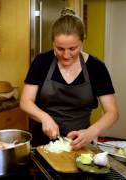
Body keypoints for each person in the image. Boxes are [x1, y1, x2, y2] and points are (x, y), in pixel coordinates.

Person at [20, 9, 119, 150]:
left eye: (73, 48)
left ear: (82, 41)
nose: (66, 55)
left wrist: (92, 131)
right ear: (53, 42)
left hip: (80, 142)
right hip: (42, 144)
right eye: (59, 49)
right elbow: (25, 101)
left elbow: (112, 112)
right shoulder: (41, 62)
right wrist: (45, 118)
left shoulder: (96, 67)